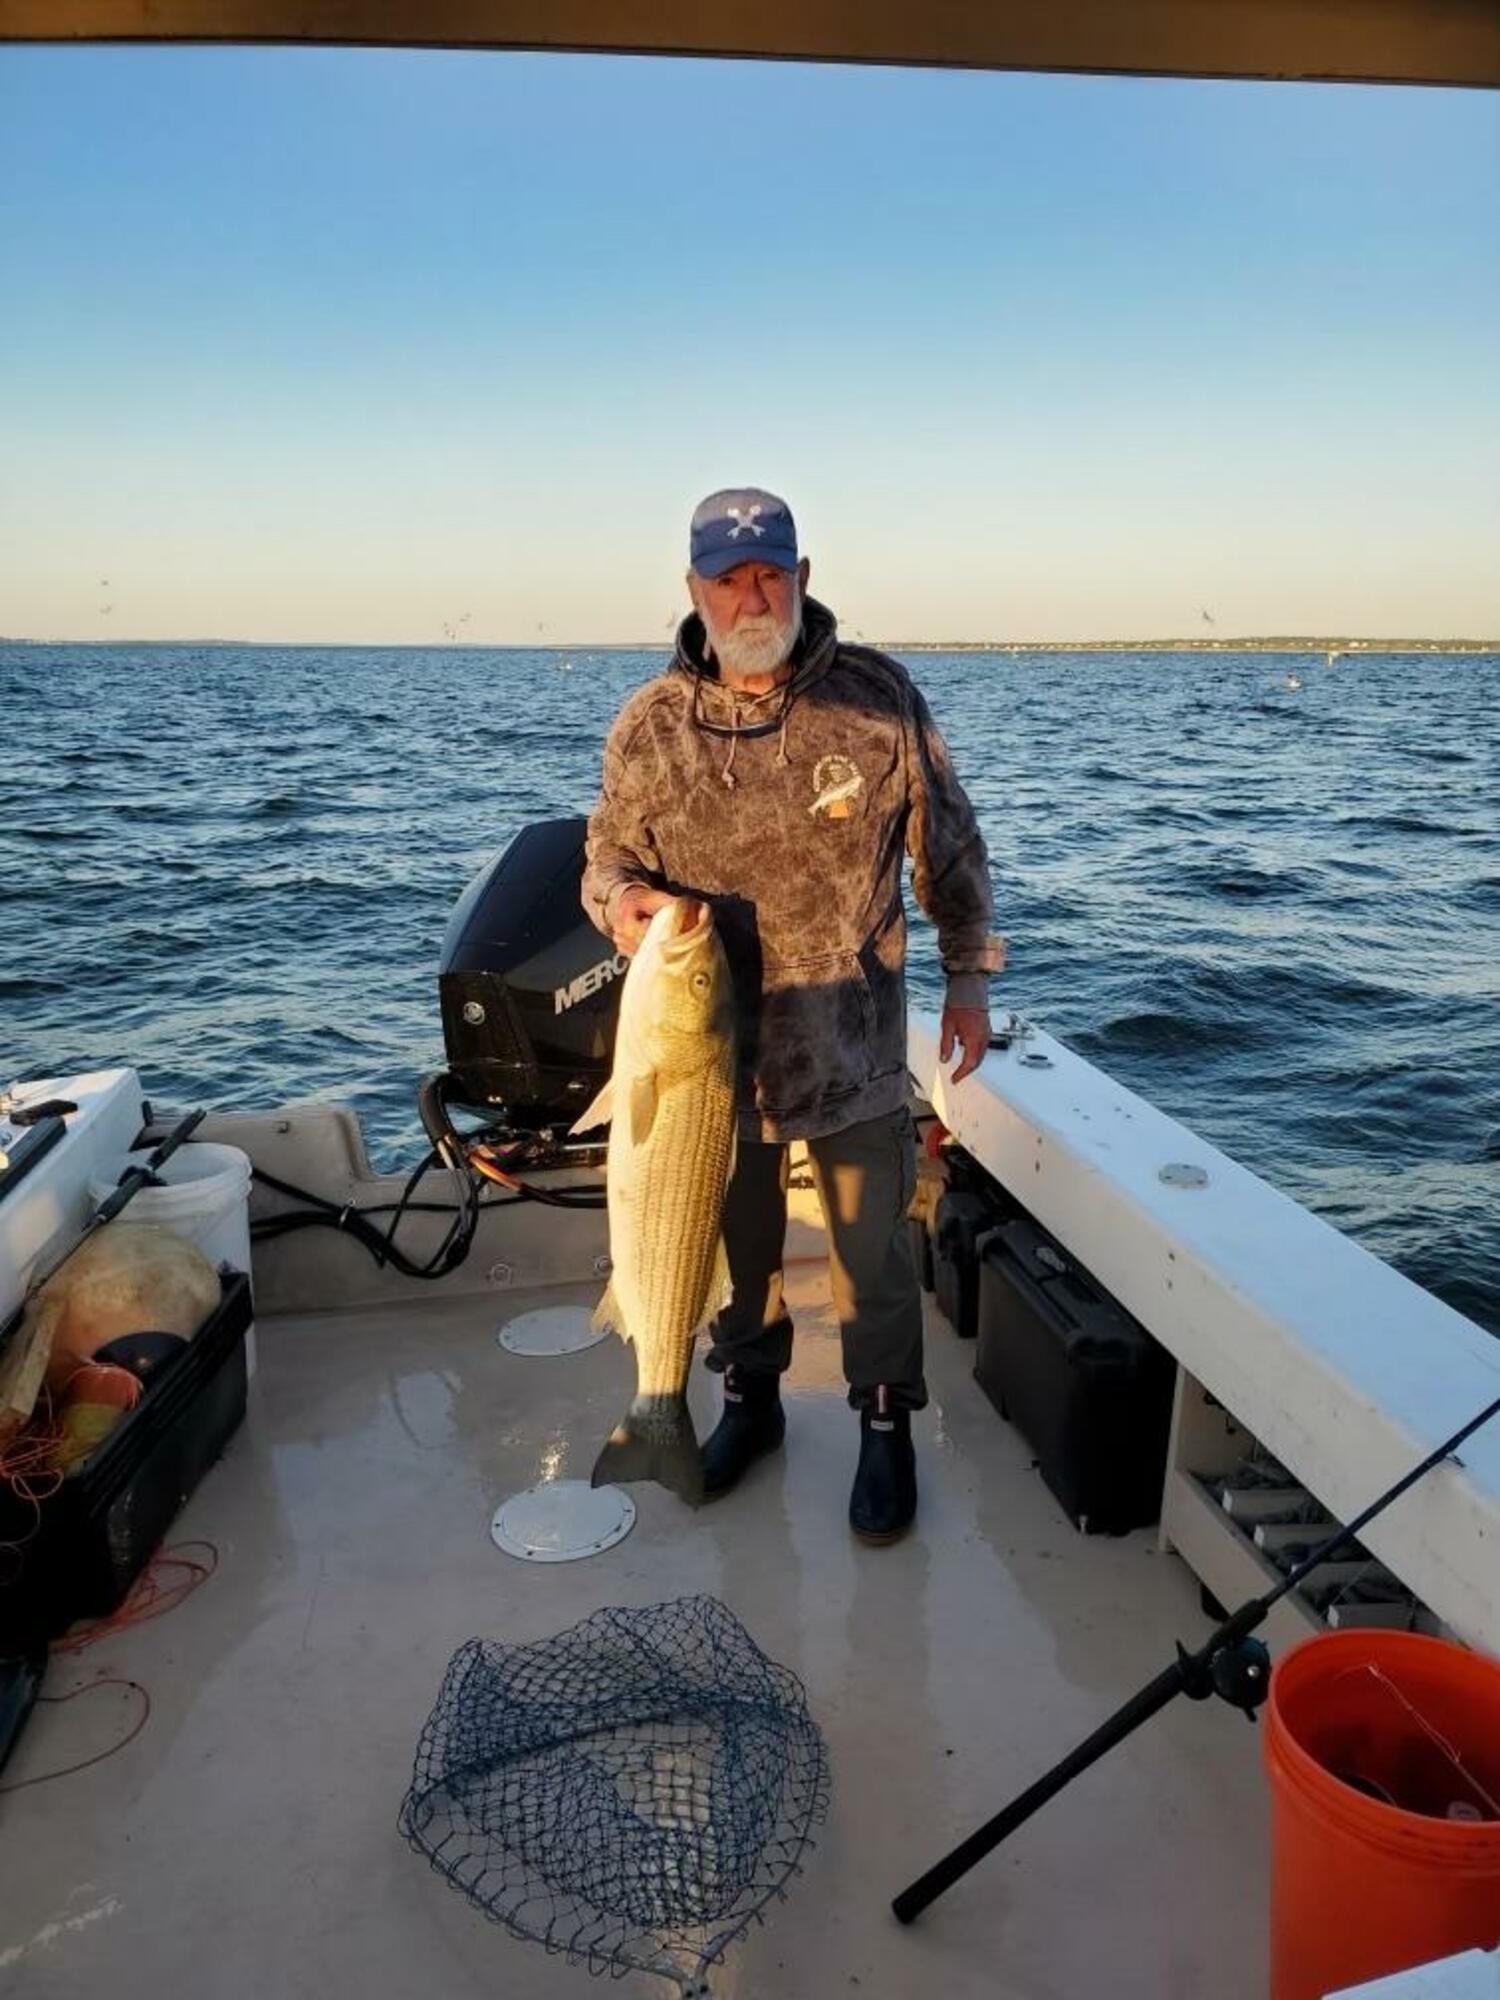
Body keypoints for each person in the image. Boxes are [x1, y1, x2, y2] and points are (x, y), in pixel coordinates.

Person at [582, 488, 1002, 1542]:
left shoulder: (878, 698)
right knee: (736, 1249)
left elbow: (948, 848)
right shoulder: (650, 725)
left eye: (770, 571)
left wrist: (968, 978)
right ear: (695, 592)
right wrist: (624, 905)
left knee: (876, 1260)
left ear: (803, 576)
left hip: (851, 1046)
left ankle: (882, 1423)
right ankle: (753, 1404)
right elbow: (606, 863)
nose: (752, 594)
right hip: (708, 1063)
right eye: (729, 578)